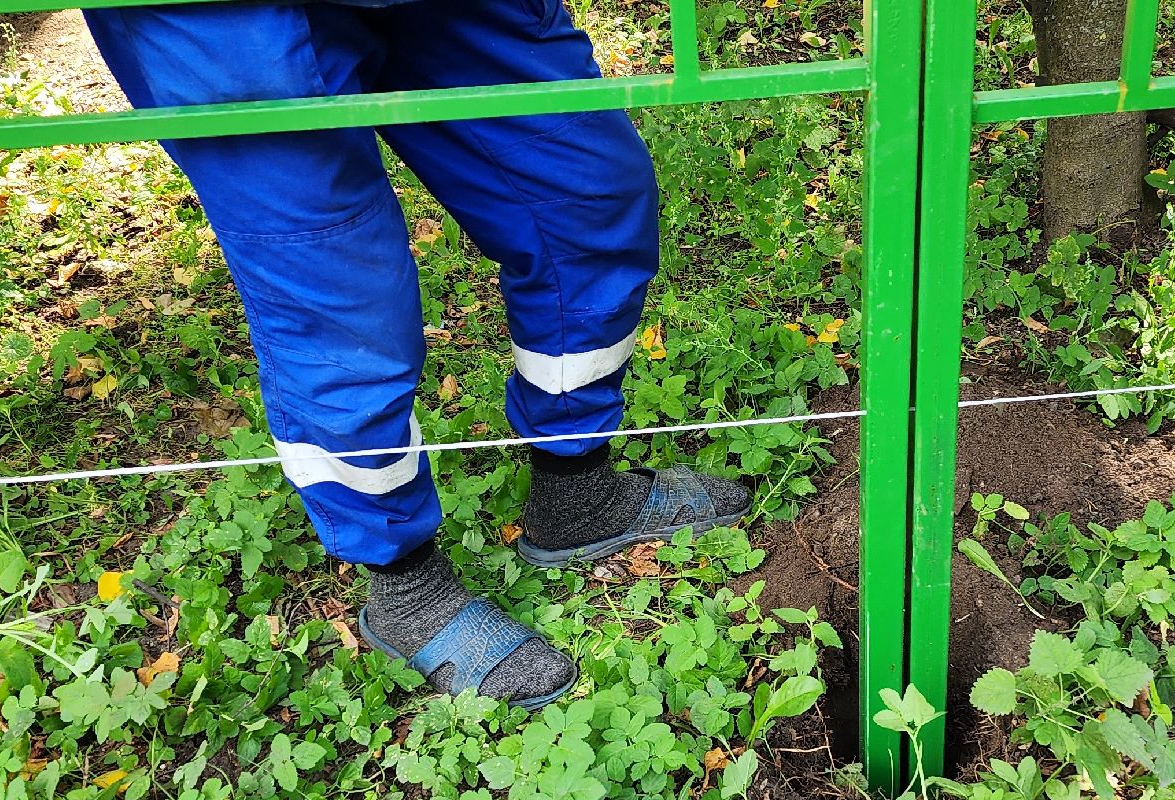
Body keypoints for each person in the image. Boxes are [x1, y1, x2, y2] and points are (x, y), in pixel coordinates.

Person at [86, 0, 747, 709]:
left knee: (582, 196)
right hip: (224, 20)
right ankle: (407, 589)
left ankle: (576, 488)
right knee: (337, 292)